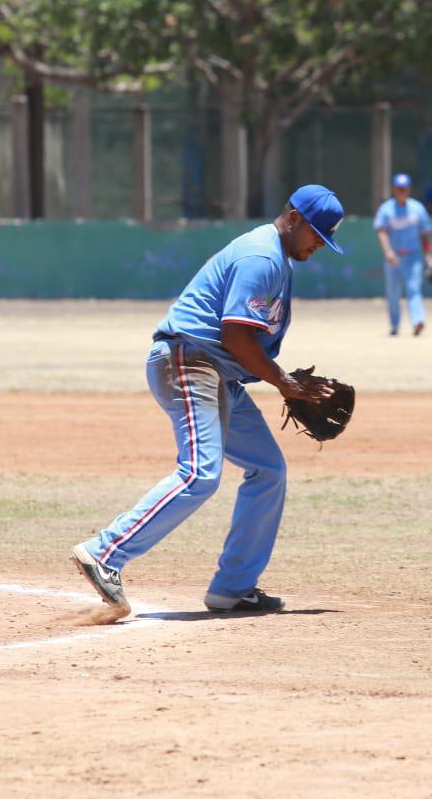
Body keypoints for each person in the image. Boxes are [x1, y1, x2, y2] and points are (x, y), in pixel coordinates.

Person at [71, 184, 345, 617]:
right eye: (317, 234)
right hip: (190, 360)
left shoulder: (276, 257)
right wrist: (281, 381)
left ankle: (232, 588)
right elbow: (236, 336)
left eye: (326, 239)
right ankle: (105, 552)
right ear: (294, 218)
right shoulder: (262, 257)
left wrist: (282, 379)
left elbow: (242, 341)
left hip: (221, 374)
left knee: (269, 470)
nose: (319, 245)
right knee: (201, 472)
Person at [374, 172, 432, 336]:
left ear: (409, 189)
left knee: (413, 288)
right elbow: (381, 231)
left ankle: (418, 321)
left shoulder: (417, 208)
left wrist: (429, 255)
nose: (401, 191)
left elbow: (425, 234)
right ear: (394, 189)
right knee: (393, 293)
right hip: (393, 256)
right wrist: (388, 251)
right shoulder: (386, 209)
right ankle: (395, 325)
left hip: (413, 256)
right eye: (399, 188)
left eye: (404, 188)